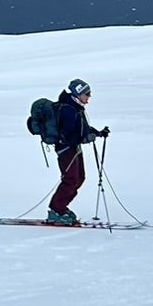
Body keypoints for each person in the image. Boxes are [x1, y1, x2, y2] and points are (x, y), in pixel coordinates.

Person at [45, 79, 112, 225]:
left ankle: (60, 208)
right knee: (71, 180)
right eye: (86, 94)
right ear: (78, 93)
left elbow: (82, 128)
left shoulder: (76, 107)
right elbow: (68, 135)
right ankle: (56, 210)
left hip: (74, 149)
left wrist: (98, 133)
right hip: (66, 149)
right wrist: (86, 138)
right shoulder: (68, 109)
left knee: (79, 178)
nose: (89, 97)